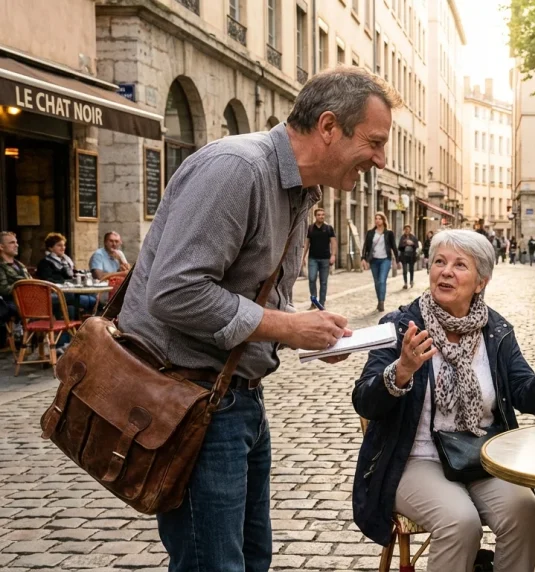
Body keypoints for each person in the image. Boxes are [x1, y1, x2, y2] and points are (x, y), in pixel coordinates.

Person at [118, 66, 396, 571]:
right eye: (374, 142)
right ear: (329, 127)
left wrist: (309, 331)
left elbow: (248, 297)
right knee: (214, 563)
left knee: (251, 559)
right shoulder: (237, 169)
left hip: (236, 399)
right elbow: (176, 291)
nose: (380, 159)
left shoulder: (299, 191)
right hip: (192, 401)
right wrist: (287, 327)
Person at [353, 229, 535, 572]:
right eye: (439, 261)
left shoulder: (495, 331)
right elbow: (365, 401)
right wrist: (402, 370)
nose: (446, 271)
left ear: (481, 282)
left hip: (482, 456)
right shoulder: (399, 327)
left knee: (524, 513)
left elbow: (525, 396)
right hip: (414, 458)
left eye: (459, 265)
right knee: (460, 521)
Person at [36, 232, 96, 319]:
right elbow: (48, 280)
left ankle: (89, 323)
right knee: (91, 301)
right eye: (59, 245)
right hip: (55, 294)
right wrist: (67, 282)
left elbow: (72, 274)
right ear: (50, 248)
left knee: (93, 294)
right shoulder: (45, 263)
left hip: (70, 292)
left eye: (64, 245)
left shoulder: (66, 261)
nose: (63, 248)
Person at [361, 212, 400, 312]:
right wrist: (363, 258)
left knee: (382, 281)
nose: (377, 220)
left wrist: (398, 260)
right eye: (376, 219)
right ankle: (379, 300)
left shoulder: (389, 233)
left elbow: (394, 247)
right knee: (377, 282)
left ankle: (382, 302)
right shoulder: (370, 233)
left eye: (379, 218)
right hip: (374, 260)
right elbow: (366, 246)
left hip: (385, 260)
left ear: (383, 220)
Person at [302, 208, 336, 308]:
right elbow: (307, 243)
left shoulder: (329, 228)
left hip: (325, 258)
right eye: (319, 215)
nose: (321, 216)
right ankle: (313, 301)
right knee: (312, 279)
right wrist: (303, 257)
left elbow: (333, 242)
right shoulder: (310, 228)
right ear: (315, 216)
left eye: (322, 215)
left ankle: (321, 303)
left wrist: (333, 255)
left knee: (323, 282)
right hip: (313, 258)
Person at [0, 231, 29, 337]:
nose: (16, 245)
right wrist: (20, 284)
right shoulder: (1, 266)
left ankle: (63, 343)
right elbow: (3, 290)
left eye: (16, 242)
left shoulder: (19, 264)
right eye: (12, 243)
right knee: (67, 298)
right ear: (1, 247)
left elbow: (30, 280)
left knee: (69, 302)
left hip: (31, 298)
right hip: (15, 302)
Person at [398, 224, 419, 289]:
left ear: (410, 230)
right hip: (404, 256)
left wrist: (412, 243)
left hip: (411, 256)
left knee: (411, 269)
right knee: (404, 270)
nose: (407, 230)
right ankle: (405, 283)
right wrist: (406, 243)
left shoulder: (413, 237)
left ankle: (411, 281)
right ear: (404, 230)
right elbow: (399, 247)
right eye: (406, 229)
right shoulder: (402, 237)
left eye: (408, 229)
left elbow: (417, 246)